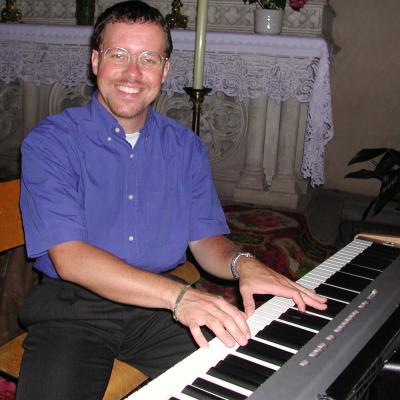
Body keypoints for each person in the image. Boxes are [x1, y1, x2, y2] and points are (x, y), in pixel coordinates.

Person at [17, 1, 327, 399]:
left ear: (164, 70)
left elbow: (205, 238)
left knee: (254, 377)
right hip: (74, 308)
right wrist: (178, 296)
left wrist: (243, 263)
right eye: (118, 55)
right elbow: (70, 258)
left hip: (157, 310)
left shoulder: (185, 147)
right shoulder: (51, 143)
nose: (132, 73)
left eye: (149, 58)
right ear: (95, 61)